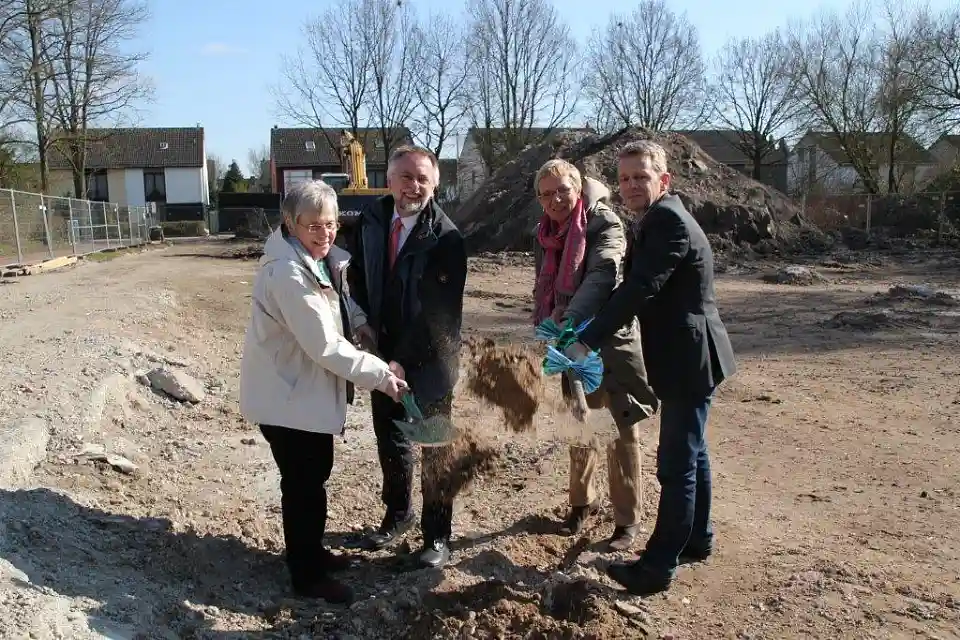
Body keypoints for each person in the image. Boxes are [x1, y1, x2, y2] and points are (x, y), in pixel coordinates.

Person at [565, 140, 737, 596]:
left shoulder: (667, 221)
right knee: (694, 454)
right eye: (623, 178)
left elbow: (640, 288)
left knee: (676, 464)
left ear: (664, 180)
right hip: (691, 355)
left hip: (689, 358)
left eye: (641, 176)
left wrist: (587, 339)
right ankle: (697, 539)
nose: (631, 186)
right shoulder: (658, 218)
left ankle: (658, 566)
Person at [239, 180, 409, 604]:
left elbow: (335, 306)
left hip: (300, 396)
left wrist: (361, 323)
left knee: (313, 477)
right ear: (290, 223)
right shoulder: (287, 274)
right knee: (303, 485)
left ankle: (311, 552)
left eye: (330, 224)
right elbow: (325, 346)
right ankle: (306, 575)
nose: (325, 233)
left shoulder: (309, 259)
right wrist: (382, 375)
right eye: (313, 224)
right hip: (288, 399)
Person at [347, 144, 467, 569]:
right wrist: (359, 320)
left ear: (434, 184)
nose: (413, 186)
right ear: (390, 179)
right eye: (405, 177)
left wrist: (400, 359)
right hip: (382, 352)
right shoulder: (373, 219)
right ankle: (398, 515)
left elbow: (439, 313)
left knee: (435, 447)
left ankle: (438, 537)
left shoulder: (448, 239)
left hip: (430, 358)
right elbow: (355, 271)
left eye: (422, 179)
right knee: (391, 439)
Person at [531, 158, 658, 552]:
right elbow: (546, 285)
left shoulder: (605, 223)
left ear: (578, 187)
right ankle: (581, 504)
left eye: (563, 190)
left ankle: (627, 520)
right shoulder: (546, 232)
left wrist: (569, 318)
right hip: (569, 344)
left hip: (609, 342)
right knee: (580, 426)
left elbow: (603, 274)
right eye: (547, 193)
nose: (556, 199)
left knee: (620, 432)